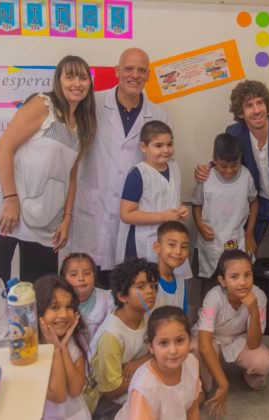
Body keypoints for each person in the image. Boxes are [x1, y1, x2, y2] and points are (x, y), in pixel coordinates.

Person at [0, 55, 97, 283]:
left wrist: (67, 218)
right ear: (58, 80)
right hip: (8, 212)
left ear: (90, 84)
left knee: (41, 290)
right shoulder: (43, 105)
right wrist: (10, 199)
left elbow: (71, 176)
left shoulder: (82, 124)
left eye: (82, 78)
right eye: (70, 77)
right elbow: (3, 148)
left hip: (46, 219)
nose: (77, 83)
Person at [71, 48, 170, 288]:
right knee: (90, 287)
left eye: (141, 70)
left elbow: (164, 165)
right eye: (128, 69)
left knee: (127, 287)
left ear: (148, 75)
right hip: (94, 211)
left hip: (134, 215)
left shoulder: (158, 116)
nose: (134, 75)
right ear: (117, 71)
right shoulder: (91, 104)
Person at [195, 80, 269, 244]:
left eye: (260, 103)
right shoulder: (234, 133)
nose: (257, 110)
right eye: (249, 105)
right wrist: (207, 168)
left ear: (267, 105)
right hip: (257, 204)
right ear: (240, 113)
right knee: (243, 251)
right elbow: (227, 160)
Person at [194, 250, 269, 418]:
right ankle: (203, 383)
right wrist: (223, 384)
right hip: (213, 338)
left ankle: (250, 373)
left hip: (239, 339)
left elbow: (253, 343)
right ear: (222, 281)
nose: (243, 282)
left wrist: (254, 311)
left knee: (263, 361)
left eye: (247, 275)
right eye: (234, 277)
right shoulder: (213, 297)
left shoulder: (258, 296)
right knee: (196, 349)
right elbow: (204, 345)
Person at [85, 258, 158, 417]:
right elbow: (110, 391)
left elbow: (157, 351)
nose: (150, 291)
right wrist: (145, 370)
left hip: (132, 382)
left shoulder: (146, 314)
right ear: (123, 296)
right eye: (141, 286)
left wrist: (143, 362)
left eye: (153, 286)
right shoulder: (111, 335)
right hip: (105, 402)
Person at [192, 133, 258, 297]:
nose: (229, 171)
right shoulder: (206, 177)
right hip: (210, 239)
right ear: (214, 159)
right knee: (209, 285)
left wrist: (249, 235)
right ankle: (206, 313)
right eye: (223, 166)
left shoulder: (246, 176)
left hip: (236, 238)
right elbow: (196, 205)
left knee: (236, 281)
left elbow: (254, 202)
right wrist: (200, 225)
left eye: (234, 166)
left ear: (240, 159)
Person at [119, 121, 189, 272]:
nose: (166, 150)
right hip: (145, 242)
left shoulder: (174, 167)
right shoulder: (138, 174)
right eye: (158, 145)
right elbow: (126, 214)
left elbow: (171, 197)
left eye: (169, 144)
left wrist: (181, 208)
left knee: (171, 281)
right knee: (148, 281)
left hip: (172, 242)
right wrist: (163, 217)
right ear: (143, 147)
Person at [114, 306, 202, 420]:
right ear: (151, 347)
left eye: (180, 340)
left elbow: (192, 407)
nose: (173, 350)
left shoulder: (192, 363)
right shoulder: (144, 388)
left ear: (190, 340)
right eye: (164, 343)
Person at [35, 275, 91, 419]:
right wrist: (55, 350)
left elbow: (75, 390)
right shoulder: (30, 348)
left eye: (69, 307)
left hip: (75, 415)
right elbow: (58, 396)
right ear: (38, 310)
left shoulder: (76, 340)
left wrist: (63, 349)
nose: (64, 314)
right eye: (55, 307)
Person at [61, 252, 113, 343]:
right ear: (63, 278)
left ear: (94, 275)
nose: (81, 278)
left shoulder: (108, 298)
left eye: (87, 273)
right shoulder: (58, 301)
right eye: (74, 274)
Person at [152, 221, 189, 313]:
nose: (178, 252)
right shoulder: (147, 280)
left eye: (184, 247)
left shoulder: (180, 282)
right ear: (157, 247)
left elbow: (183, 317)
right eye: (172, 245)